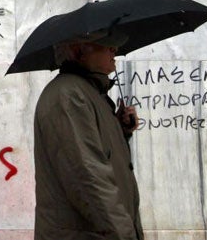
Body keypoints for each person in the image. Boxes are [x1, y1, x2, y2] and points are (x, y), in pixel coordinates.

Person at [33, 34, 143, 240]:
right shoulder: (69, 95)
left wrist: (121, 131)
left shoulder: (90, 92)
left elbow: (100, 156)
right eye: (106, 44)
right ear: (78, 51)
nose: (114, 50)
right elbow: (88, 177)